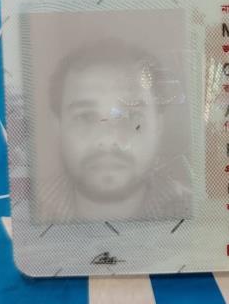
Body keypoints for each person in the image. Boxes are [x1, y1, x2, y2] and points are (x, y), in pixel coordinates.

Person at [44, 38, 190, 221]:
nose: (107, 139)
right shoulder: (22, 212)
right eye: (85, 117)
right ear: (58, 127)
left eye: (130, 116)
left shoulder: (200, 214)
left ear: (158, 125)